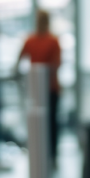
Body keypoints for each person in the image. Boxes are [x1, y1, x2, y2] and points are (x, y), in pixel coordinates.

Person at [18, 10, 61, 166]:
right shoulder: (32, 40)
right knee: (41, 124)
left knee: (51, 123)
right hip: (38, 91)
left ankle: (52, 154)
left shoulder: (51, 41)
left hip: (49, 90)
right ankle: (43, 153)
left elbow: (56, 65)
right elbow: (19, 60)